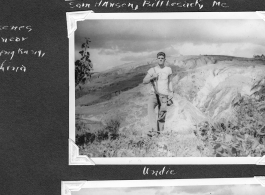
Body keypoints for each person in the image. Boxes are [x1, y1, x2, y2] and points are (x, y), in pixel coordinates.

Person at [143, 52, 173, 135]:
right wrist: (152, 77)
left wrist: (171, 92)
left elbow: (170, 81)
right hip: (154, 95)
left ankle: (159, 134)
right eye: (159, 58)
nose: (160, 59)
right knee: (150, 109)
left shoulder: (168, 69)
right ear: (157, 59)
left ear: (164, 59)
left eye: (162, 58)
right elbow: (144, 81)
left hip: (164, 95)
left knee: (162, 114)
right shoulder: (152, 70)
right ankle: (153, 131)